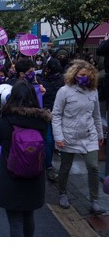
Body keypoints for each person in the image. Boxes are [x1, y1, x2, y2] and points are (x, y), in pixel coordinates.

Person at [0, 80, 51, 236]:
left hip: (11, 175)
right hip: (34, 175)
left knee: (15, 220)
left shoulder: (4, 120)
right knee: (28, 215)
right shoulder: (42, 120)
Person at [52, 59, 105, 214]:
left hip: (89, 136)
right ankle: (62, 193)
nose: (85, 78)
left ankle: (94, 200)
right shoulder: (64, 91)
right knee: (65, 167)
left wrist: (100, 134)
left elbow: (96, 115)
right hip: (68, 136)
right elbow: (56, 115)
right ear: (75, 75)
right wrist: (59, 137)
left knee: (93, 167)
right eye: (82, 75)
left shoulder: (93, 91)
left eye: (88, 75)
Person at [39, 58, 65, 181]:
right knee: (48, 141)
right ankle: (48, 166)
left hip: (59, 115)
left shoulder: (63, 80)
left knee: (55, 140)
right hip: (46, 113)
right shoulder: (40, 79)